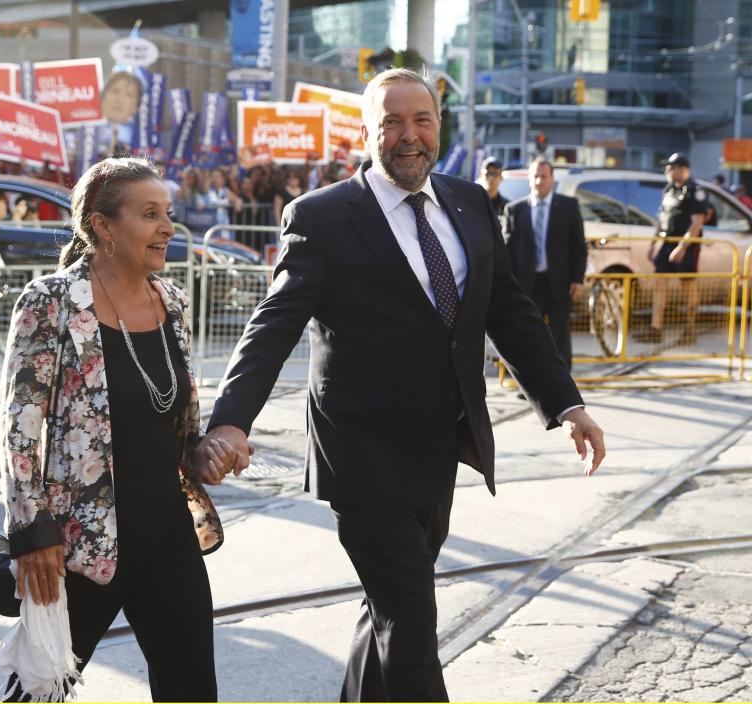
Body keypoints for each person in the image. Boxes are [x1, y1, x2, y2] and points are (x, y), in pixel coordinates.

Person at [197, 68, 605, 702]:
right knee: (411, 622)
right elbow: (273, 324)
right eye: (391, 122)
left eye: (422, 120)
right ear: (365, 132)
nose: (407, 136)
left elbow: (510, 311)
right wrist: (230, 419)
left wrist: (566, 403)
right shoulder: (323, 217)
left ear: (440, 127)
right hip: (360, 455)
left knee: (389, 609)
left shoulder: (470, 203)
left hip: (439, 448)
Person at [0, 157, 232, 700]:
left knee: (193, 687)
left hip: (168, 533)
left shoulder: (171, 301)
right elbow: (18, 429)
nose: (167, 227)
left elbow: (169, 415)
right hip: (78, 542)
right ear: (104, 226)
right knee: (37, 689)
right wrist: (31, 530)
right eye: (149, 214)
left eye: (167, 213)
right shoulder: (51, 301)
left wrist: (206, 449)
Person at [503, 156, 587, 367]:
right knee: (529, 337)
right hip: (527, 285)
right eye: (535, 177)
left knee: (560, 335)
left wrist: (577, 278)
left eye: (544, 176)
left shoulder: (568, 206)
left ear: (552, 178)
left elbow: (578, 245)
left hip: (559, 282)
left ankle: (564, 388)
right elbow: (508, 251)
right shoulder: (515, 210)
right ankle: (531, 386)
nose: (540, 181)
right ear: (529, 179)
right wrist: (510, 285)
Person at [636, 152, 705, 345]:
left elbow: (697, 222)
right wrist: (653, 243)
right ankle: (655, 329)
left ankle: (690, 330)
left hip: (687, 246)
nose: (667, 170)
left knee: (688, 287)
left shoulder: (695, 190)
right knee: (660, 285)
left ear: (682, 169)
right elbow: (662, 220)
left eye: (671, 167)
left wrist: (682, 247)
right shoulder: (668, 189)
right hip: (667, 243)